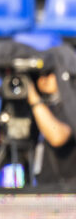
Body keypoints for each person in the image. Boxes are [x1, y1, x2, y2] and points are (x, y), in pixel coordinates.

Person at [24, 46, 76, 188]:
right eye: (38, 75)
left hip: (67, 194)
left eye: (48, 73)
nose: (43, 79)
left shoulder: (71, 105)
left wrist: (33, 98)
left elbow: (57, 136)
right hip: (41, 189)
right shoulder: (39, 108)